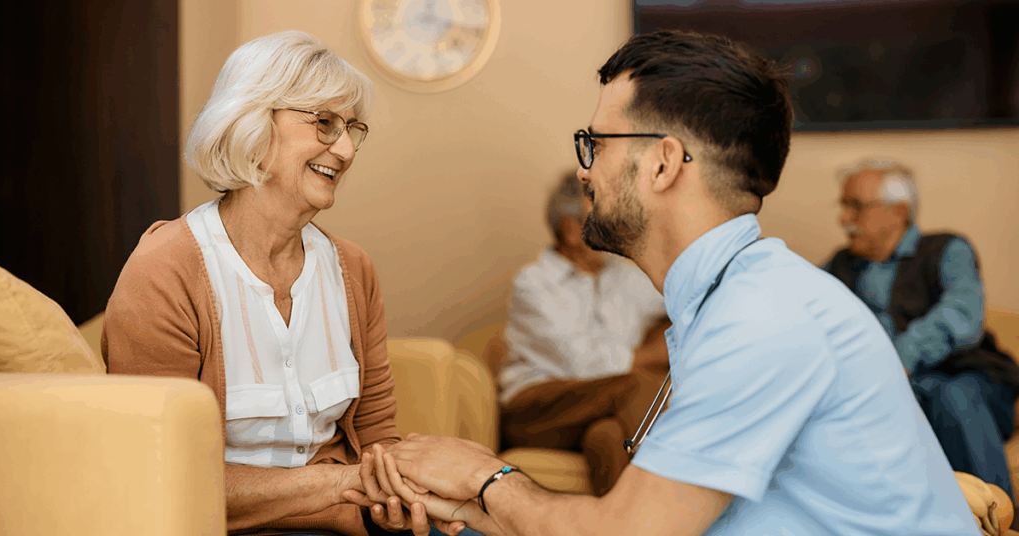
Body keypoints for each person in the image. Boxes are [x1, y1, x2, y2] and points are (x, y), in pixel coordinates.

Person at [350, 29, 982, 536]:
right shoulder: (731, 299)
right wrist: (463, 508)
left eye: (596, 143)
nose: (584, 168)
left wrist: (483, 475)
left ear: (660, 162)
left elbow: (627, 531)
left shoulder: (761, 318)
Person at [102, 31, 468, 536]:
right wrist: (340, 492)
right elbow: (159, 471)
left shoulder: (353, 269)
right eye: (324, 124)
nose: (345, 149)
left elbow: (376, 436)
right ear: (252, 122)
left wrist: (404, 498)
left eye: (352, 129)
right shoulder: (166, 270)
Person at [824, 158, 1019, 502]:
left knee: (952, 395)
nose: (843, 218)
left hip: (974, 382)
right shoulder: (840, 265)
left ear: (897, 211)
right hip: (903, 391)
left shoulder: (947, 249)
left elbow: (962, 315)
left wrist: (899, 358)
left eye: (855, 206)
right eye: (843, 206)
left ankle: (997, 521)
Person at [498, 172, 669, 496]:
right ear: (572, 230)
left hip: (603, 406)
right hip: (537, 409)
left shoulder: (625, 276)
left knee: (606, 437)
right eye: (607, 220)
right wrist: (653, 357)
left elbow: (685, 298)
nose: (618, 230)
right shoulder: (534, 283)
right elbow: (582, 364)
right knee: (638, 385)